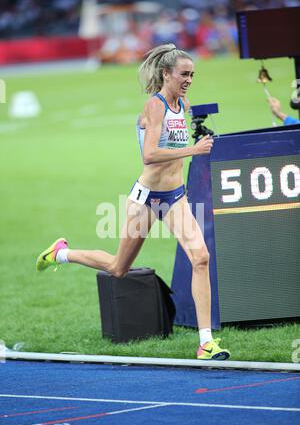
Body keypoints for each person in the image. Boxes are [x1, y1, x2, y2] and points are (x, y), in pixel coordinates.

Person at [36, 43, 230, 361]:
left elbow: (174, 145)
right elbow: (150, 155)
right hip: (147, 198)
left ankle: (206, 342)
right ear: (166, 73)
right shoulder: (154, 106)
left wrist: (196, 140)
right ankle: (61, 253)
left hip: (175, 197)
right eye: (184, 73)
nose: (189, 79)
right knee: (118, 268)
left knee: (201, 258)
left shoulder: (183, 103)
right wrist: (193, 150)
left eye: (193, 74)